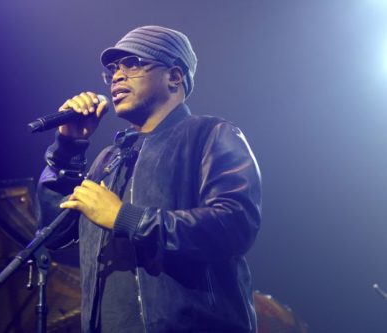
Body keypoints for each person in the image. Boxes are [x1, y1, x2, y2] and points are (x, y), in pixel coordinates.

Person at [36, 25, 262, 333]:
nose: (117, 76)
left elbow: (234, 225)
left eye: (133, 64)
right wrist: (68, 149)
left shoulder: (210, 135)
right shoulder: (110, 159)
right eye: (113, 69)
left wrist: (125, 218)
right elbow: (53, 236)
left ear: (174, 76)